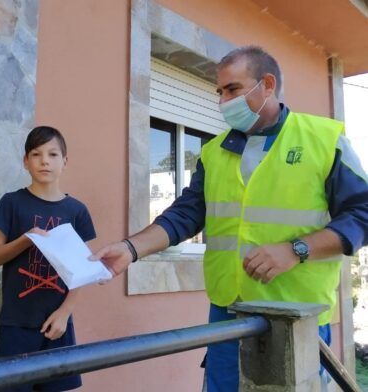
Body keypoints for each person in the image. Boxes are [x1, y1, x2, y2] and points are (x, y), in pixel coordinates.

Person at [91, 46, 368, 391]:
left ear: (267, 84)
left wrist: (295, 249)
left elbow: (363, 214)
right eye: (219, 92)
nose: (223, 101)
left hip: (295, 318)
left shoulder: (323, 140)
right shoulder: (214, 151)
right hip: (228, 315)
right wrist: (131, 249)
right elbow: (187, 214)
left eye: (233, 89)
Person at [0, 126, 96, 392]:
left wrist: (64, 313)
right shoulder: (11, 203)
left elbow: (81, 270)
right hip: (16, 324)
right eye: (36, 154)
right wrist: (27, 239)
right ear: (26, 161)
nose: (44, 161)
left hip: (58, 325)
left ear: (65, 161)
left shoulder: (77, 211)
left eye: (53, 154)